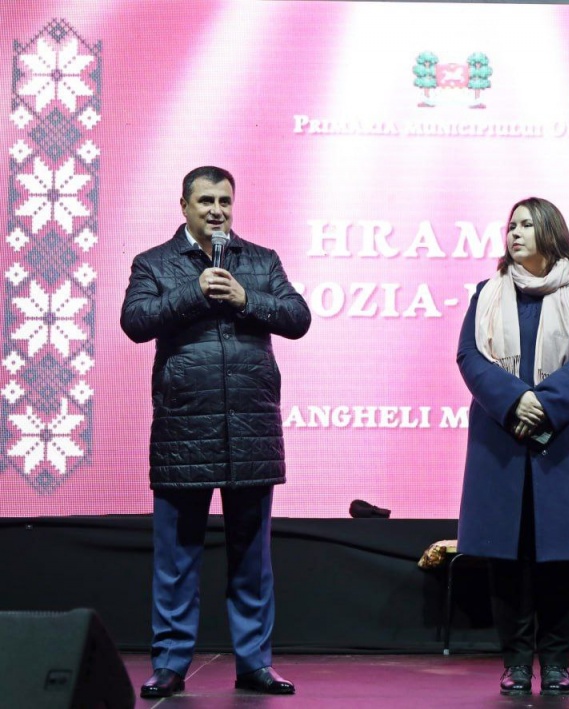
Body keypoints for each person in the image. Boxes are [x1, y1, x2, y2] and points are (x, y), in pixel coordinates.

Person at [121, 166, 311, 698]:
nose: (217, 210)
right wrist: (197, 292)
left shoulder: (261, 260)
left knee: (252, 558)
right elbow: (135, 322)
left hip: (251, 429)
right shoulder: (154, 262)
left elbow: (297, 317)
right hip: (183, 430)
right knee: (176, 559)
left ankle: (255, 663)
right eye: (206, 200)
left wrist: (247, 299)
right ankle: (169, 664)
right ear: (183, 205)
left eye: (225, 201)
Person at [456, 197, 569, 696]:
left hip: (567, 441)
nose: (515, 232)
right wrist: (514, 401)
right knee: (506, 560)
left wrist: (544, 403)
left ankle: (557, 663)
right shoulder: (487, 292)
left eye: (526, 224)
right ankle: (517, 663)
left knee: (562, 560)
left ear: (550, 232)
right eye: (511, 225)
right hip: (500, 437)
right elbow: (469, 355)